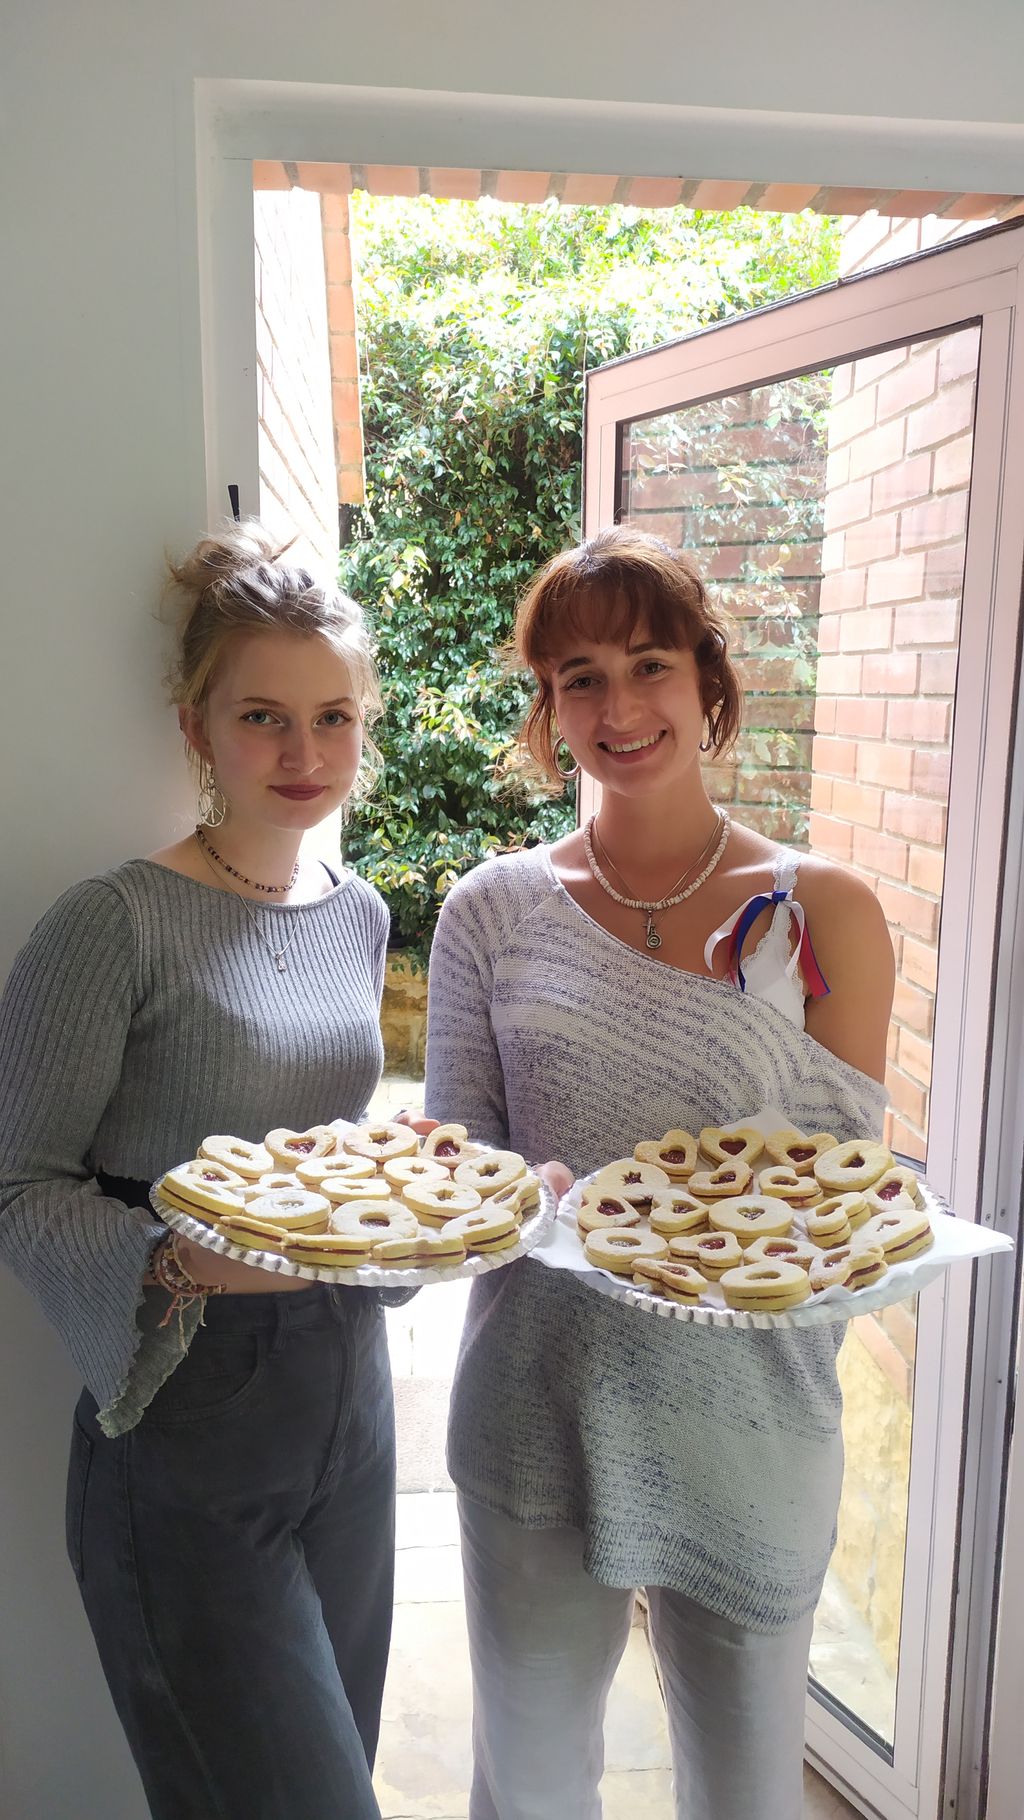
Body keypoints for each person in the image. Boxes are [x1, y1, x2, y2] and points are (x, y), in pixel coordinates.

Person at [424, 526, 896, 1820]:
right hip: (537, 1402)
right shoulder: (488, 912)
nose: (618, 707)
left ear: (707, 681)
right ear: (549, 708)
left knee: (747, 1790)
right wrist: (501, 1193)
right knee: (529, 1785)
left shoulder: (823, 913)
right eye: (579, 678)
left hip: (751, 1422)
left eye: (648, 664)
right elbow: (459, 1175)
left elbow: (846, 1205)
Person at [0, 523, 398, 1820]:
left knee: (341, 1765)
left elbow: (340, 1156)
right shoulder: (113, 923)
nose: (303, 754)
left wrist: (423, 1205)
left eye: (333, 718)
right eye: (262, 717)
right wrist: (185, 1265)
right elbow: (19, 1185)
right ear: (196, 727)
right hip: (184, 1413)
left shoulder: (358, 915)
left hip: (353, 1407)